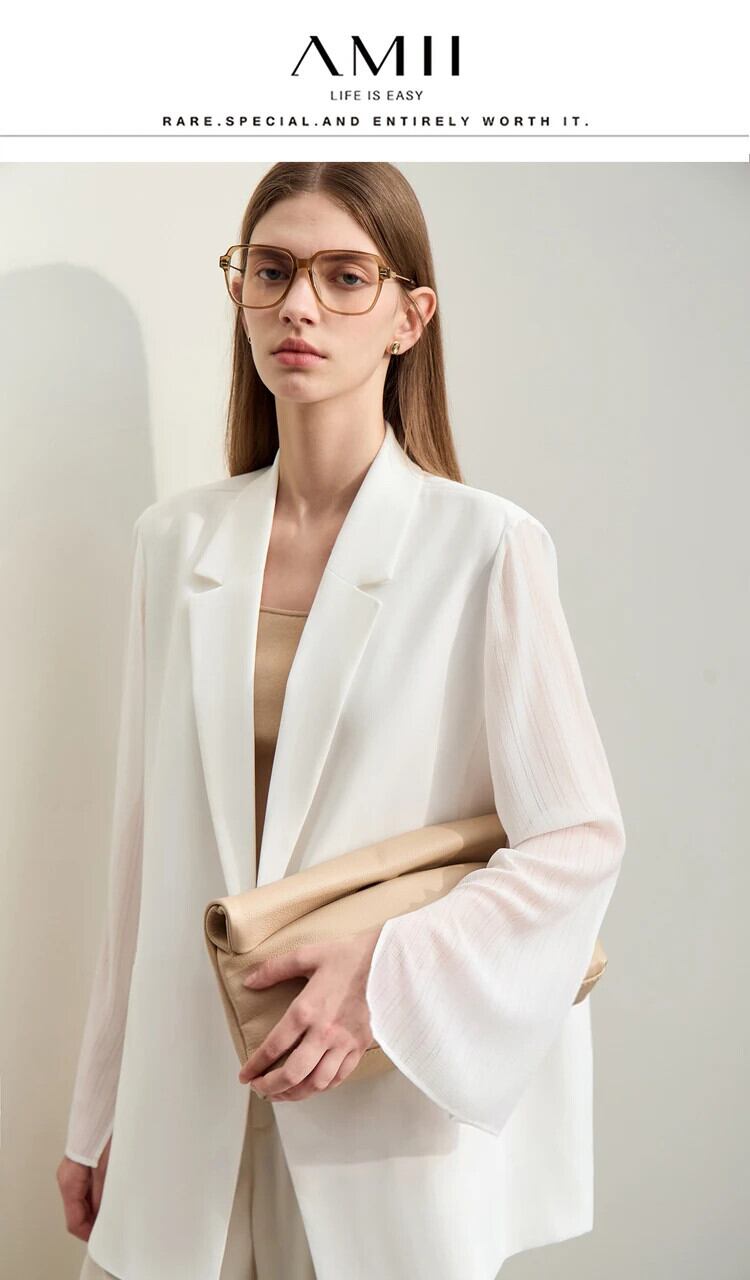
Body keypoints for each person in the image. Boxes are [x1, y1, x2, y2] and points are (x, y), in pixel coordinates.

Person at [57, 162, 626, 1280]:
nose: (299, 306)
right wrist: (98, 1107)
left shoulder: (485, 547)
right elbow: (144, 854)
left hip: (379, 1104)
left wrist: (388, 973)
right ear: (241, 293)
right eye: (271, 271)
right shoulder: (175, 542)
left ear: (411, 316)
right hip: (190, 1100)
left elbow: (578, 839)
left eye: (344, 276)